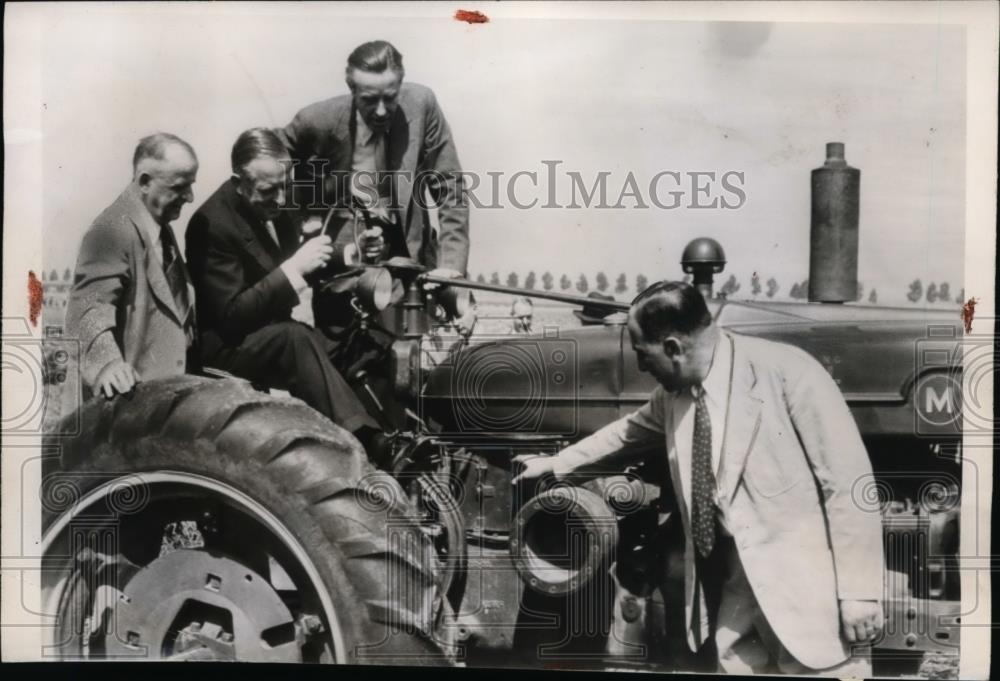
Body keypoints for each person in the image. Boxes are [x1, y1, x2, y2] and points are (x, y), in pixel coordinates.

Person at [514, 281, 884, 675]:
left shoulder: (789, 373)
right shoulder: (674, 397)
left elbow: (849, 484)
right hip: (735, 589)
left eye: (643, 354)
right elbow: (626, 434)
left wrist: (859, 594)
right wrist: (556, 465)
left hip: (807, 591)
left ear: (673, 348)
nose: (641, 367)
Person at [185, 127, 382, 445]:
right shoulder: (210, 225)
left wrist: (355, 252)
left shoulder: (276, 201)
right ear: (239, 184)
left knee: (359, 339)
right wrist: (293, 269)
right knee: (295, 338)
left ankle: (396, 428)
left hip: (272, 330)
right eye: (269, 191)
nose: (281, 200)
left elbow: (305, 256)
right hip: (226, 346)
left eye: (286, 187)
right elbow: (231, 316)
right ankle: (367, 440)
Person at [278, 39, 474, 335]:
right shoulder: (314, 121)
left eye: (390, 98)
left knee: (410, 354)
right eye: (369, 100)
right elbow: (267, 159)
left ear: (401, 86)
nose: (381, 111)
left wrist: (450, 267)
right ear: (352, 90)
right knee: (346, 354)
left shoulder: (422, 105)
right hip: (344, 264)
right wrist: (302, 217)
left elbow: (451, 189)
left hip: (408, 256)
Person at [65, 133, 199, 399]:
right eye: (180, 187)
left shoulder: (159, 228)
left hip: (158, 401)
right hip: (123, 408)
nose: (190, 197)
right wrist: (108, 365)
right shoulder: (111, 230)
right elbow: (87, 308)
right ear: (145, 182)